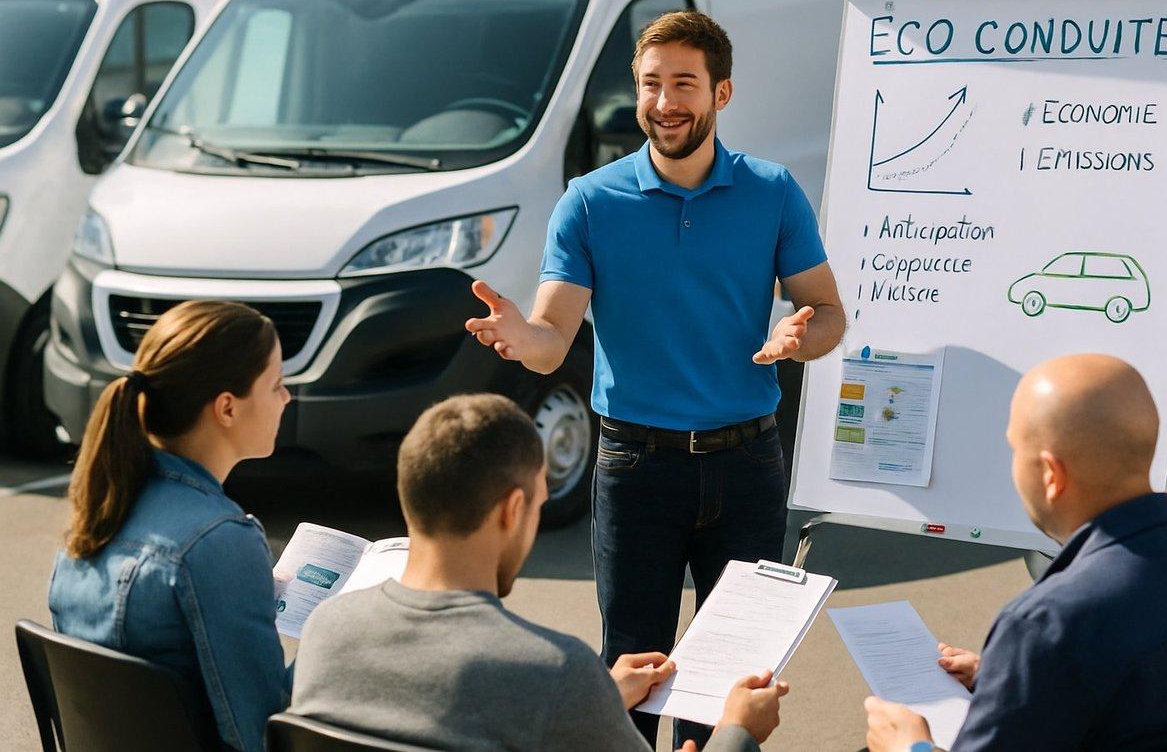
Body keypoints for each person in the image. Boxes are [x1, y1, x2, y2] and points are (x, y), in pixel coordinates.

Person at [464, 9, 845, 745]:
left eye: (683, 84)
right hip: (635, 466)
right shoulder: (589, 200)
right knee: (631, 676)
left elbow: (827, 312)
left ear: (721, 93)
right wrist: (520, 336)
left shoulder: (772, 192)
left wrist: (800, 336)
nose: (665, 102)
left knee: (732, 681)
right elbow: (550, 343)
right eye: (650, 84)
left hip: (747, 463)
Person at [289, 394, 788, 751]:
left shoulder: (327, 632)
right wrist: (736, 731)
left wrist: (599, 700)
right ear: (512, 510)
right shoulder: (552, 670)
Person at [864, 354, 1167, 751]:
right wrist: (1009, 679)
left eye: (1014, 450)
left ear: (1050, 474)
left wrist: (909, 746)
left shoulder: (1047, 623)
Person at [48, 300, 293, 752]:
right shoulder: (219, 540)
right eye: (276, 384)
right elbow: (261, 734)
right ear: (226, 408)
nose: (286, 397)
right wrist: (335, 638)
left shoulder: (100, 514)